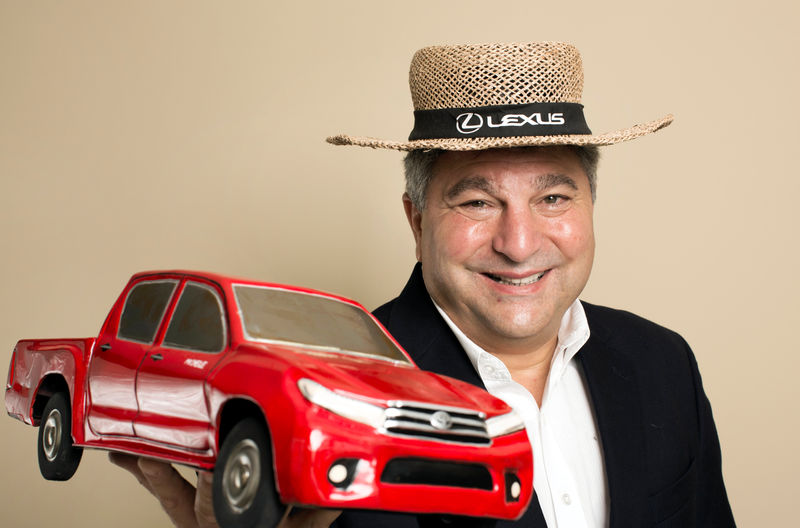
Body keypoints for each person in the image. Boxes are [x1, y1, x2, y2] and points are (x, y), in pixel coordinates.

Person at [111, 42, 735, 527]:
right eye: (475, 202)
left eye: (552, 196)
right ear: (416, 220)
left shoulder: (663, 363)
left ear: (590, 207)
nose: (518, 243)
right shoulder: (329, 389)